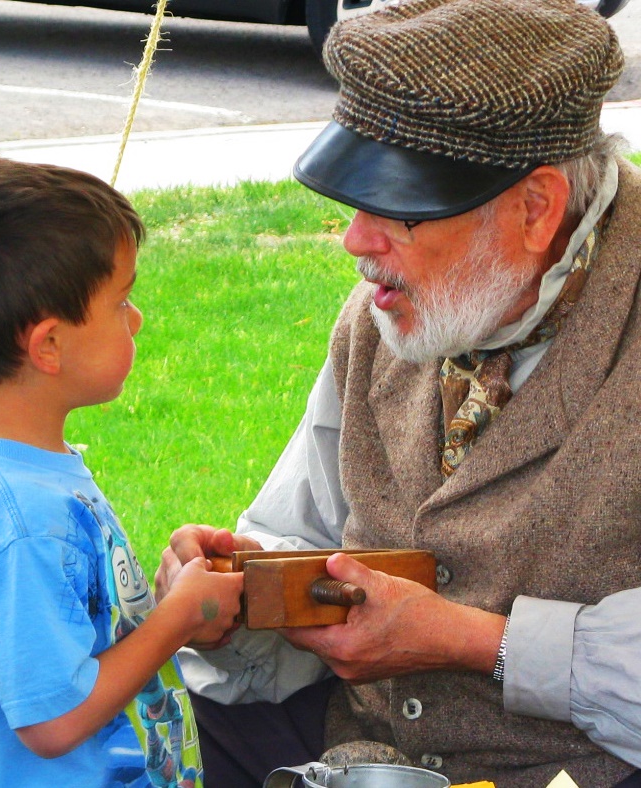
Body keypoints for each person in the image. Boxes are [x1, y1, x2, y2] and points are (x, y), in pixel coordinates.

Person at [157, 0, 641, 786]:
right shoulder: (386, 317)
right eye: (356, 198)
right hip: (373, 754)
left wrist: (472, 640)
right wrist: (239, 595)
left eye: (401, 209)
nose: (356, 239)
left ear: (536, 208)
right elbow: (293, 531)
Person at [0, 154, 244, 788]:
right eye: (121, 301)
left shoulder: (0, 473)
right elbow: (54, 719)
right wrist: (176, 620)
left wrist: (170, 597)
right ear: (48, 345)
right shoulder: (25, 517)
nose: (137, 320)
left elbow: (68, 643)